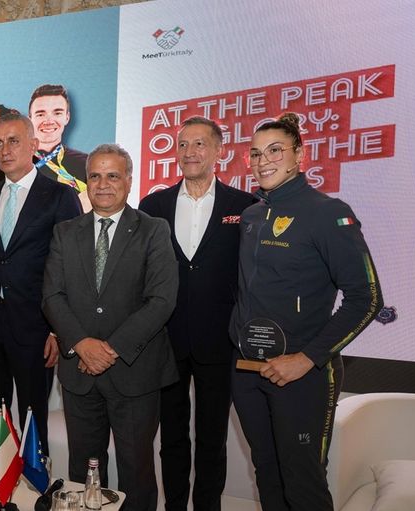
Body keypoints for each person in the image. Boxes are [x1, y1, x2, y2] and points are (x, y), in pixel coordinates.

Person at [229, 113, 383, 511]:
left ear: (300, 154)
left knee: (303, 481)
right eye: (255, 153)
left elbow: (367, 298)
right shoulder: (251, 216)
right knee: (267, 473)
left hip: (302, 375)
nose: (263, 161)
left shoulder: (328, 213)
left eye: (275, 150)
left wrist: (306, 359)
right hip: (248, 371)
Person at [42, 143, 179, 511]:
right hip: (79, 373)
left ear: (129, 181)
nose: (103, 184)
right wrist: (82, 344)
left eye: (113, 176)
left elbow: (162, 300)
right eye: (95, 176)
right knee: (83, 471)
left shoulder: (153, 230)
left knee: (136, 471)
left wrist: (110, 349)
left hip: (135, 373)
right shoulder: (64, 232)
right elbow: (52, 296)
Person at [138, 116, 254, 511]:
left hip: (221, 342)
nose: (190, 152)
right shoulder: (153, 206)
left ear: (219, 151)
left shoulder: (246, 207)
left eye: (200, 144)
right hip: (166, 341)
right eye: (183, 144)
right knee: (171, 437)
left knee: (212, 438)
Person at [0, 113, 81, 452]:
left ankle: (33, 477)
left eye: (13, 141)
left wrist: (58, 330)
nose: (5, 150)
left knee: (33, 415)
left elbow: (71, 268)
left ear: (33, 145)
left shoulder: (60, 196)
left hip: (37, 326)